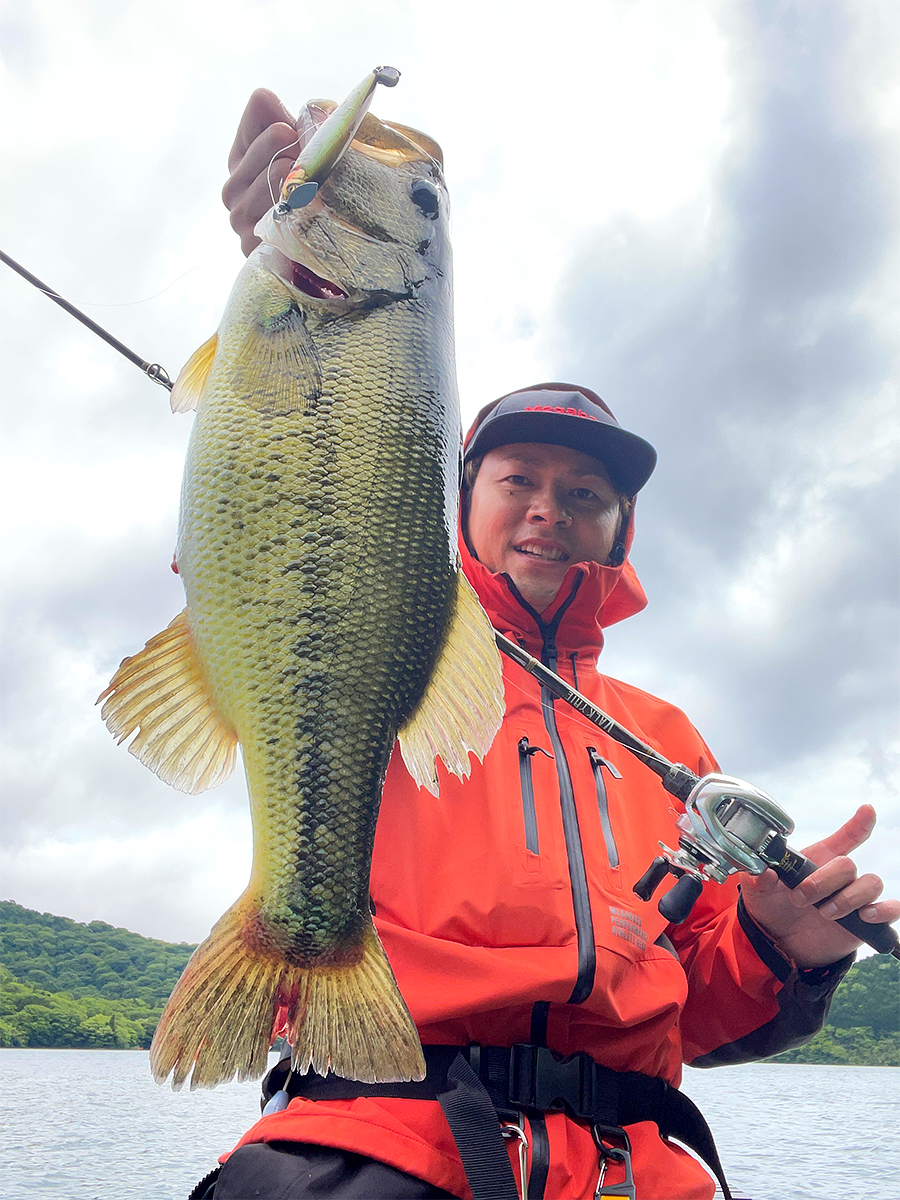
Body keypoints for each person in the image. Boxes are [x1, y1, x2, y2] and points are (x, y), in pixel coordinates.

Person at [193, 91, 899, 1200]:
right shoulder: (396, 640)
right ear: (454, 498)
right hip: (380, 1144)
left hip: (636, 1166)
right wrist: (284, 241)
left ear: (623, 527)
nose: (548, 509)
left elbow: (700, 1016)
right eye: (516, 480)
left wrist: (778, 944)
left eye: (586, 493)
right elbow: (284, 514)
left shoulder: (667, 738)